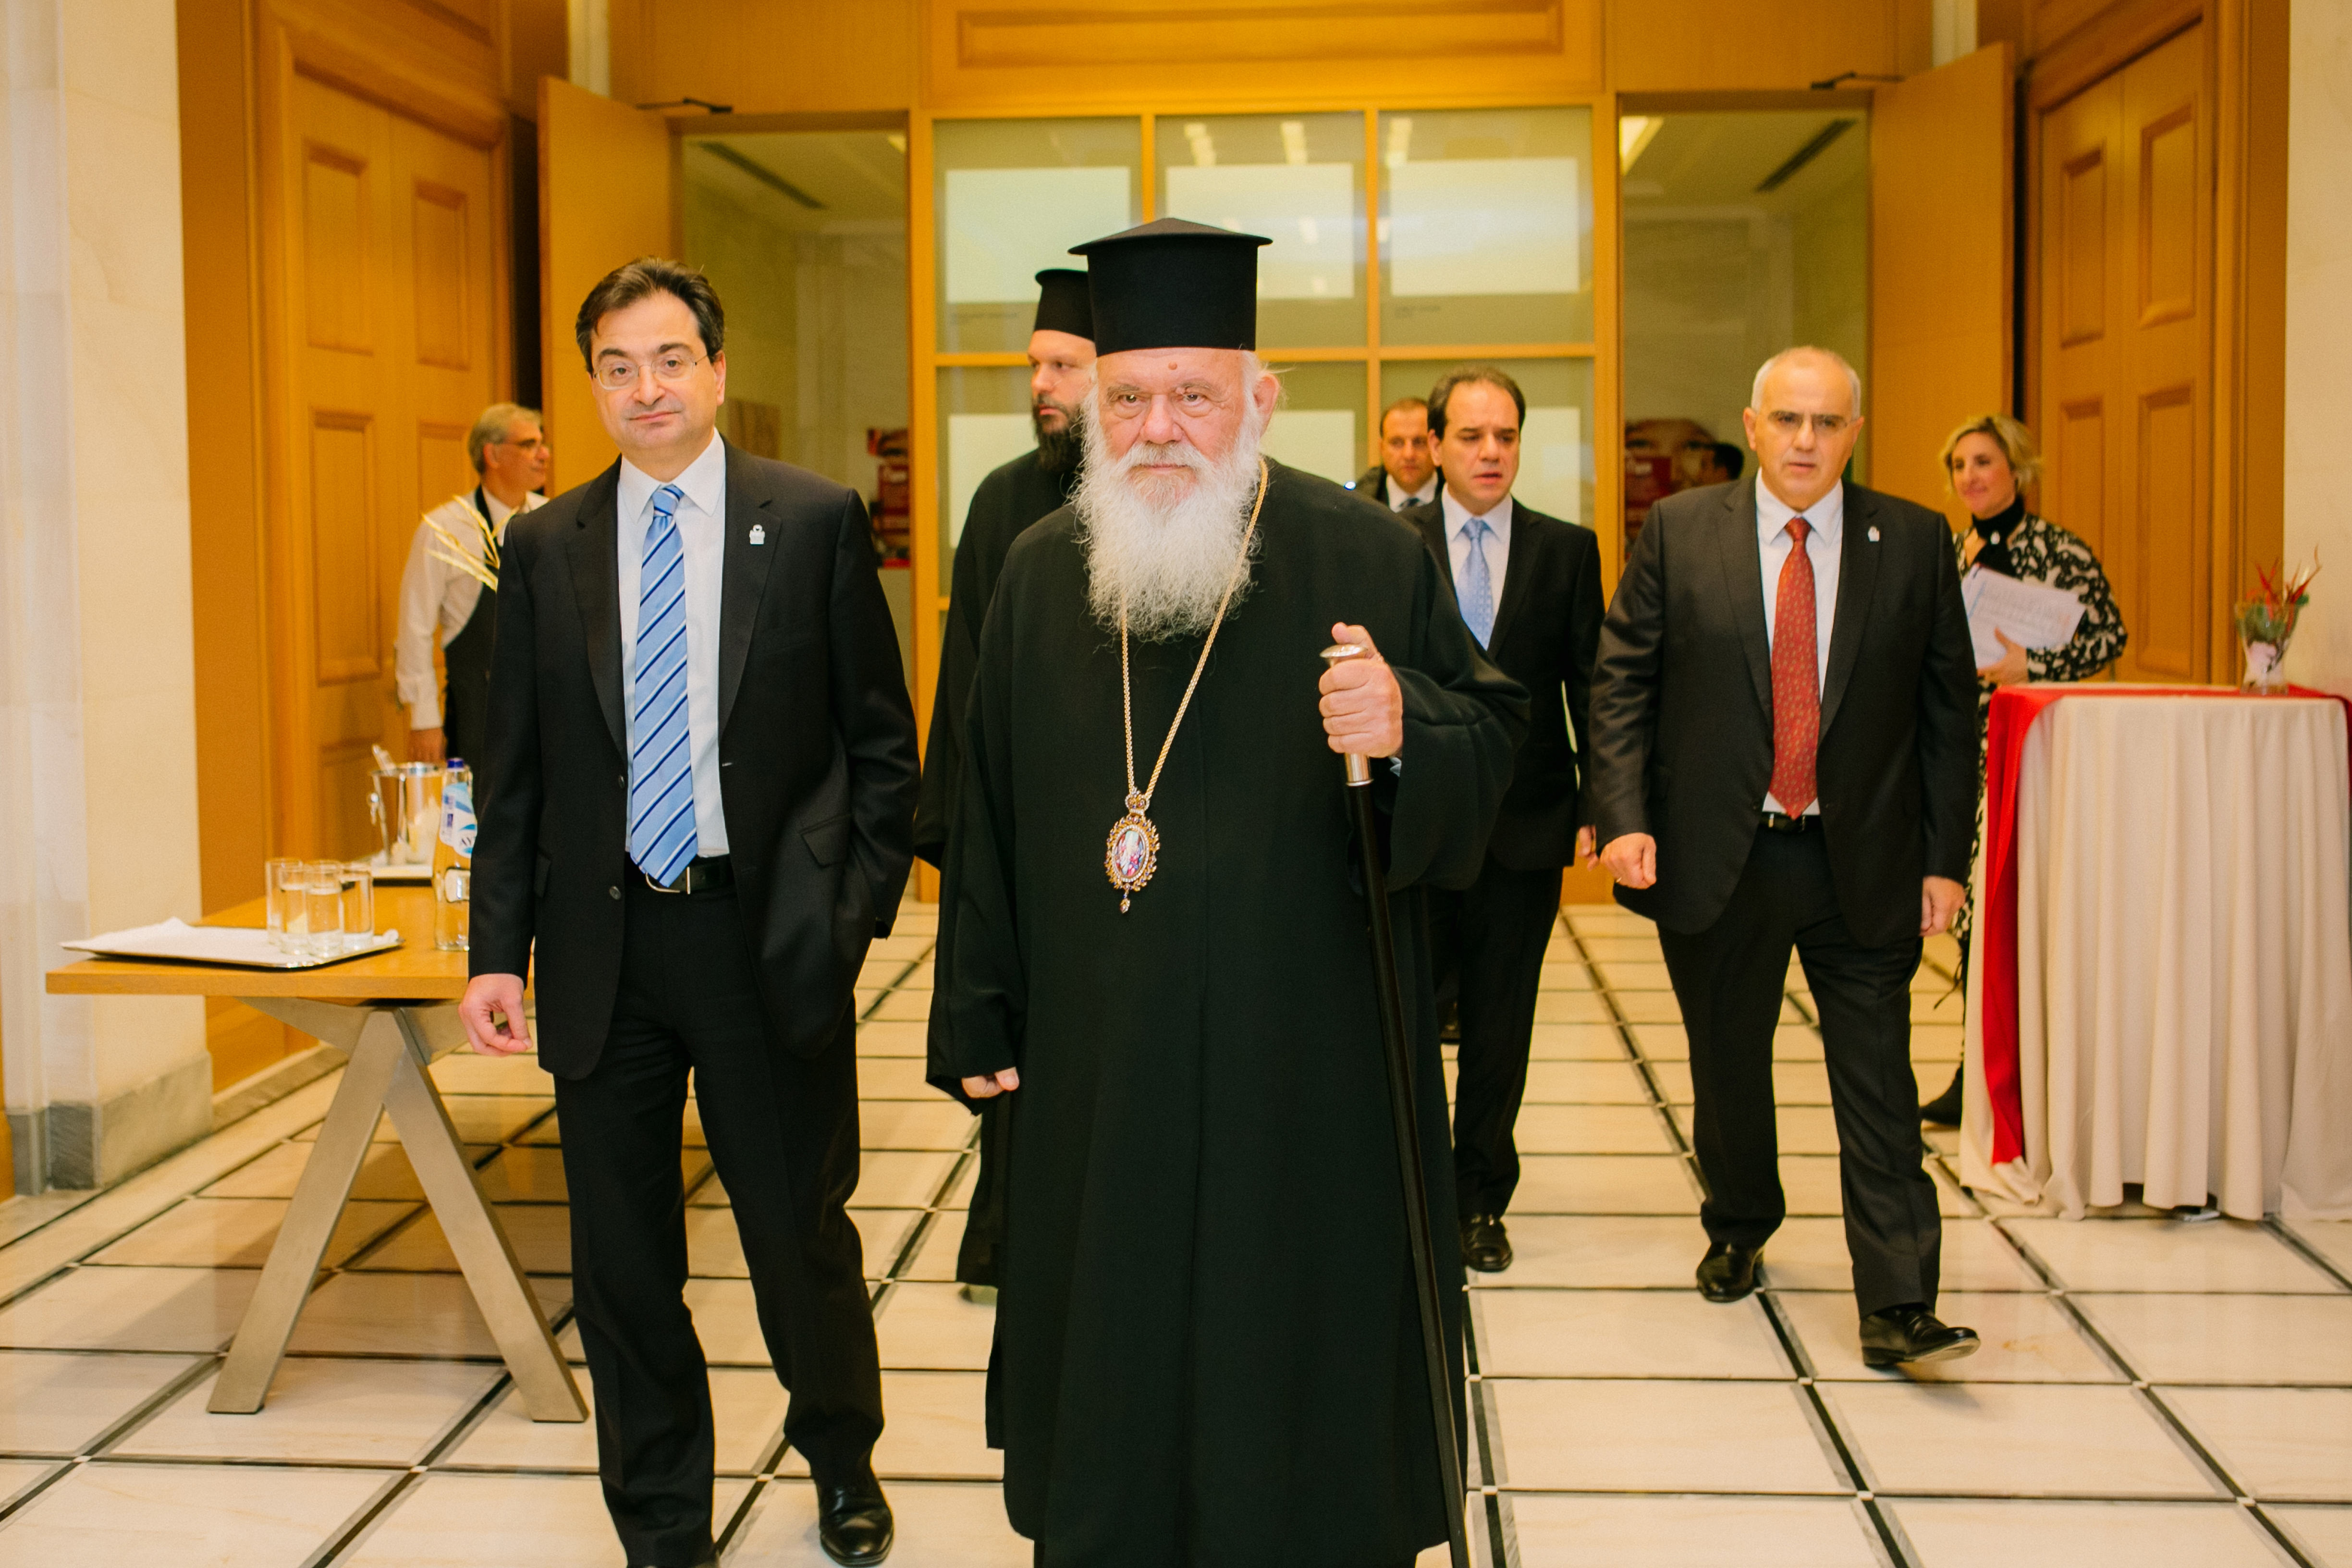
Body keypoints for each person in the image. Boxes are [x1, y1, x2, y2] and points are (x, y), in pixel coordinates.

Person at [930, 217, 1525, 1565]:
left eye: (1193, 396)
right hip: (1098, 1059)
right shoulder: (1038, 574)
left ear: (1259, 400)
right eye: (1128, 397)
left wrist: (1406, 727)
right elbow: (985, 806)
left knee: (1294, 1349)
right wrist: (975, 1004)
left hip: (1305, 1062)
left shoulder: (1366, 555)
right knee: (1112, 1340)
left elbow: (1500, 745)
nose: (1158, 429)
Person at [459, 258, 919, 1568]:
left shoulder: (814, 521)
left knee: (794, 1235)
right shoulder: (543, 546)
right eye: (618, 367)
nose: (646, 388)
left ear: (717, 370)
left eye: (670, 360)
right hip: (603, 950)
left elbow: (883, 751)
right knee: (621, 1264)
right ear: (593, 387)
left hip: (763, 941)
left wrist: (843, 920)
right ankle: (661, 1518)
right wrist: (497, 954)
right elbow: (514, 772)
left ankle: (841, 1455)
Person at [1589, 346, 1983, 1370]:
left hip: (1866, 860)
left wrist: (1946, 860)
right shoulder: (1680, 531)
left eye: (1828, 422)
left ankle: (1898, 1299)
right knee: (1728, 1065)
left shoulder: (1915, 541)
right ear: (1753, 426)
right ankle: (1740, 1218)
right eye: (1789, 419)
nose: (1807, 440)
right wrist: (1622, 813)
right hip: (1723, 855)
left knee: (1879, 1084)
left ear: (1856, 433)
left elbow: (1949, 716)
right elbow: (1623, 681)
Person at [912, 267, 1095, 1302]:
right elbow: (966, 691)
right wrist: (966, 839)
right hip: (1028, 846)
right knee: (1018, 1060)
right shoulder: (1004, 503)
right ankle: (1009, 1238)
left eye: (1064, 365)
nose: (1042, 385)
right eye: (1035, 365)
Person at [1399, 365, 1603, 1274]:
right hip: (1417, 826)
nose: (1491, 452)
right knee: (1407, 1014)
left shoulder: (1568, 551)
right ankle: (1408, 1190)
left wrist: (1604, 804)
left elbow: (1593, 687)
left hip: (1526, 827)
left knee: (1499, 1024)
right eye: (1472, 436)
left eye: (1507, 436)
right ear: (1435, 445)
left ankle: (1480, 1196)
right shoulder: (1392, 543)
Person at [1917, 413, 2126, 1126]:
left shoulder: (2059, 551)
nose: (1970, 477)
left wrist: (2031, 665)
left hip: (2034, 750)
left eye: (1983, 462)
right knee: (1970, 913)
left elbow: (2109, 635)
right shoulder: (1947, 551)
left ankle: (2046, 1077)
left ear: (2017, 469)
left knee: (2029, 911)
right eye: (1959, 466)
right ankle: (1976, 1070)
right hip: (1958, 751)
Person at [394, 402, 550, 771]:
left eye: (543, 443)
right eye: (529, 445)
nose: (544, 455)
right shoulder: (444, 530)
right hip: (478, 713)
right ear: (492, 455)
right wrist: (424, 719)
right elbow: (414, 629)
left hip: (546, 710)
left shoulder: (552, 519)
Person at [1349, 395, 1439, 511]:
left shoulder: (1460, 498)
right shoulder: (1358, 505)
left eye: (1420, 442)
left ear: (1436, 446)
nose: (1409, 455)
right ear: (1382, 448)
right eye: (1397, 443)